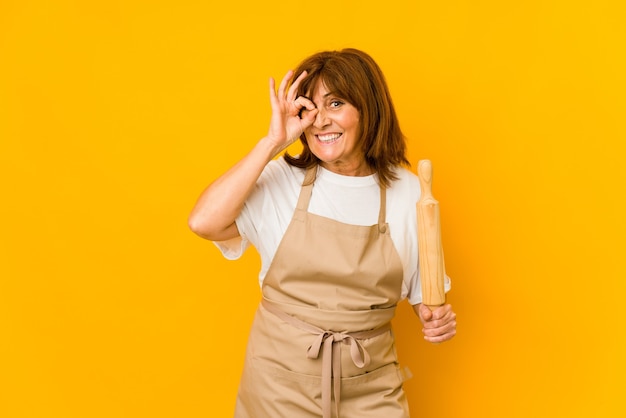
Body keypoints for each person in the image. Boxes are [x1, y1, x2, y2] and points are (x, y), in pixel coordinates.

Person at [188, 48, 457, 418]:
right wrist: (271, 143)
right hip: (280, 385)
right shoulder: (282, 179)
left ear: (368, 109)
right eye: (309, 107)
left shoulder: (407, 191)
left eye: (335, 103)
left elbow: (421, 292)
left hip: (371, 384)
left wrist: (434, 316)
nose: (320, 121)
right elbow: (203, 221)